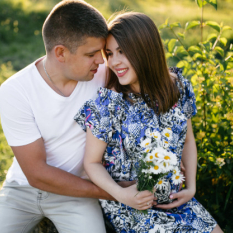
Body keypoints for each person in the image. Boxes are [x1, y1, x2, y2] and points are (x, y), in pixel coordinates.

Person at [0, 1, 134, 232]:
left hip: (77, 193)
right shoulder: (16, 90)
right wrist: (115, 192)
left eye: (101, 52)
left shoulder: (104, 77)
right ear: (61, 52)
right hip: (22, 190)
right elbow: (36, 174)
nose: (102, 61)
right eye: (92, 54)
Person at [74, 12, 223, 233]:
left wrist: (191, 187)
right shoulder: (108, 103)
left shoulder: (177, 87)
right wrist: (123, 195)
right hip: (133, 207)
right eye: (110, 53)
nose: (115, 62)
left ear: (145, 49)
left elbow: (188, 141)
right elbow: (92, 163)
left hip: (176, 201)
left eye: (123, 52)